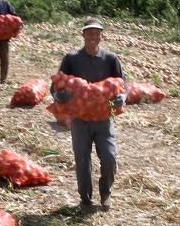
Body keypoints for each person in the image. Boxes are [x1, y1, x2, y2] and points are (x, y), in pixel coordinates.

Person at [51, 20, 125, 211]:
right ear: (83, 35)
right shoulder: (71, 58)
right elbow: (56, 85)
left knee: (109, 158)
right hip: (80, 120)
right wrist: (59, 95)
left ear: (102, 35)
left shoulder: (110, 59)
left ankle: (105, 192)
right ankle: (85, 199)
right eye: (89, 32)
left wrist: (122, 97)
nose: (93, 36)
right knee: (82, 162)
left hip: (103, 119)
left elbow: (123, 84)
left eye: (96, 33)